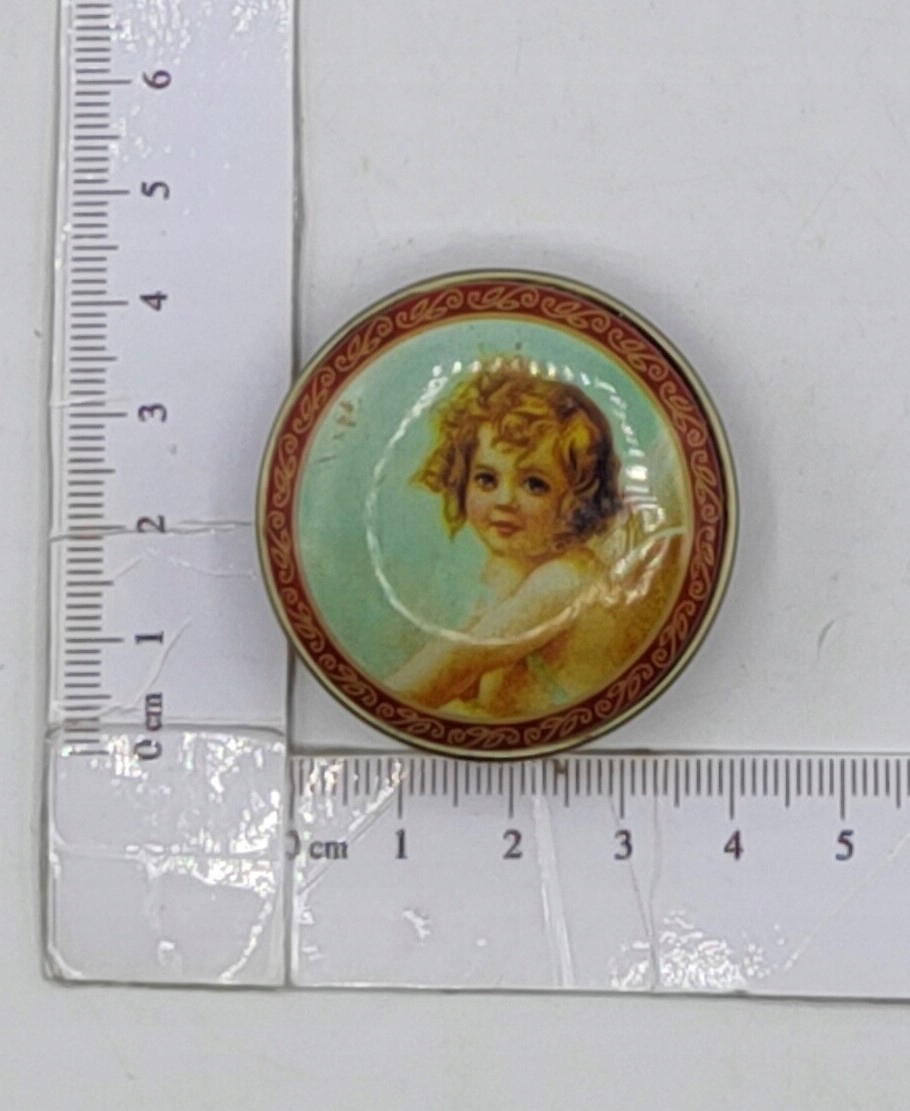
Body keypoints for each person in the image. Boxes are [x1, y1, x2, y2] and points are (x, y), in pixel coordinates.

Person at [385, 356, 651, 718]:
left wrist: (375, 703)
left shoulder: (565, 579)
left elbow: (450, 667)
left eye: (534, 485)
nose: (504, 500)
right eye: (486, 479)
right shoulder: (512, 568)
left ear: (577, 499)